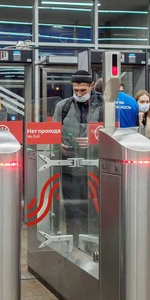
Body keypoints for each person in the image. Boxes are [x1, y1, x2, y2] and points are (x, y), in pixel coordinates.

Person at [52, 70, 103, 243]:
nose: (79, 94)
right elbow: (53, 132)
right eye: (76, 91)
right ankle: (74, 244)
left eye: (83, 90)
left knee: (94, 208)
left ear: (92, 86)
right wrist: (58, 142)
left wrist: (94, 141)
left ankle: (93, 243)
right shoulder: (63, 106)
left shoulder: (103, 107)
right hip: (70, 168)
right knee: (73, 209)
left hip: (94, 168)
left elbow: (112, 134)